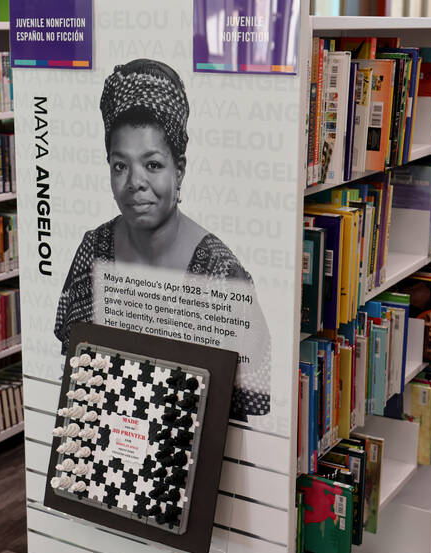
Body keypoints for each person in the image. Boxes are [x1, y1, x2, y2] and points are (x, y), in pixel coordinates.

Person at [54, 58, 271, 420]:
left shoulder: (218, 270)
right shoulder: (94, 250)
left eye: (152, 165)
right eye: (120, 166)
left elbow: (240, 406)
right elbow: (76, 367)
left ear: (179, 170)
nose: (135, 182)